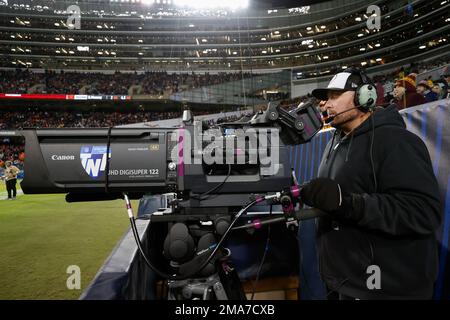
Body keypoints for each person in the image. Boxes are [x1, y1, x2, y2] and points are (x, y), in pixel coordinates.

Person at [300, 67, 442, 299]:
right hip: (346, 283)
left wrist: (347, 204)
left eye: (335, 96)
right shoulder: (335, 143)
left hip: (387, 290)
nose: (325, 104)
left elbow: (423, 211)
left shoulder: (397, 141)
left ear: (364, 96)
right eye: (325, 99)